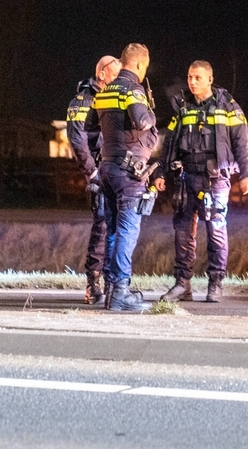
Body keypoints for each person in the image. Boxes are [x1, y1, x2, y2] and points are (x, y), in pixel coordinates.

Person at [156, 60, 248, 303]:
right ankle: (182, 284)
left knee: (216, 231)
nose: (192, 82)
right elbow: (169, 142)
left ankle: (215, 283)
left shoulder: (228, 106)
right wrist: (160, 171)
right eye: (190, 77)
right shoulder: (182, 106)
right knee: (182, 232)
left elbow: (242, 142)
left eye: (198, 78)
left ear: (210, 79)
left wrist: (247, 173)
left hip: (216, 180)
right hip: (186, 177)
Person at [85, 43, 160, 312]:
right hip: (129, 172)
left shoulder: (104, 91)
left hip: (106, 169)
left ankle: (113, 288)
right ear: (139, 65)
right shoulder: (134, 90)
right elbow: (142, 121)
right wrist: (151, 113)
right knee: (128, 230)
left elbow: (88, 125)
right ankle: (120, 292)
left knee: (115, 230)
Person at [65, 54, 120, 304]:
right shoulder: (83, 100)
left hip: (115, 169)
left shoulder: (116, 98)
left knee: (119, 226)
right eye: (115, 74)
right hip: (99, 170)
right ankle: (93, 284)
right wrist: (92, 172)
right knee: (102, 225)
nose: (120, 79)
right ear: (102, 74)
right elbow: (77, 140)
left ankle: (114, 282)